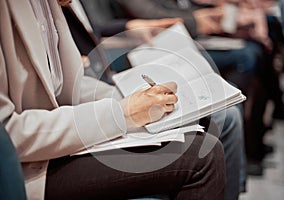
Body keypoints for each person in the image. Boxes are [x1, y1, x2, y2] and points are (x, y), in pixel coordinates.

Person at [0, 0, 225, 199]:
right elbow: (9, 134)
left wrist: (133, 97)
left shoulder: (49, 5)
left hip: (61, 141)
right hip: (31, 169)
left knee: (204, 125)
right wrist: (123, 112)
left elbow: (67, 86)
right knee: (202, 155)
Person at [64, 1, 245, 198]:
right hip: (91, 95)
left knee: (226, 110)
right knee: (215, 133)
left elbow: (89, 32)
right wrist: (122, 109)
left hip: (101, 81)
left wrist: (127, 28)